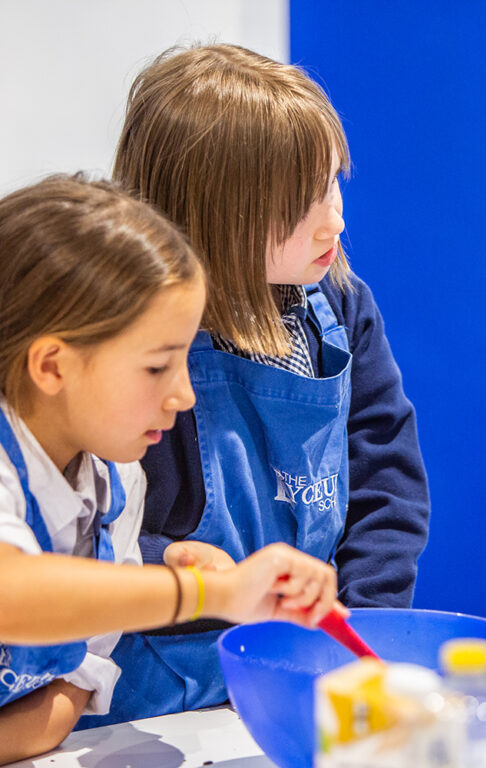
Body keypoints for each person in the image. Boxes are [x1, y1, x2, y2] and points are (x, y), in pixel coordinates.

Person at [81, 43, 429, 725]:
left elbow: (386, 480)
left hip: (307, 671)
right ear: (213, 215)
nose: (335, 220)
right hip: (149, 694)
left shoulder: (340, 306)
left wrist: (361, 628)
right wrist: (170, 566)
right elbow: (82, 532)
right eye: (301, 203)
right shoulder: (124, 341)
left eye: (332, 185)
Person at [0, 174, 341, 763]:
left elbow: (68, 688)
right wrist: (209, 591)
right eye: (158, 367)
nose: (184, 394)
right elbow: (14, 592)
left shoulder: (115, 481)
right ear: (52, 366)